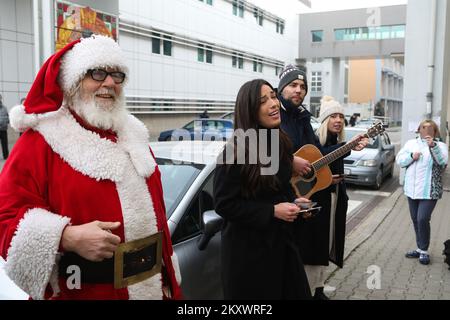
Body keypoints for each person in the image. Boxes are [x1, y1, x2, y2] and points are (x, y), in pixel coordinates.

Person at [0, 35, 181, 300]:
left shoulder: (135, 135)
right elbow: (5, 218)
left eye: (117, 75)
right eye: (97, 74)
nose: (109, 82)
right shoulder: (42, 141)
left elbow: (159, 219)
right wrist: (66, 236)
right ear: (73, 83)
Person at [213, 79, 312, 299]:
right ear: (249, 109)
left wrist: (295, 203)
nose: (273, 104)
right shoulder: (234, 150)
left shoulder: (279, 142)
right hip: (249, 259)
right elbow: (224, 204)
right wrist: (272, 211)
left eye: (274, 96)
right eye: (263, 101)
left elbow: (279, 188)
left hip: (282, 249)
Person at [277, 65, 368, 299]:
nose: (299, 90)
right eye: (293, 85)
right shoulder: (276, 118)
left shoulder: (302, 118)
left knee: (306, 253)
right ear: (281, 88)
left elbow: (317, 156)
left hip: (299, 199)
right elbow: (265, 157)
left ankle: (313, 290)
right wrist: (290, 161)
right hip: (280, 200)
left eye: (303, 87)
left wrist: (347, 147)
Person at [303, 96, 361, 299]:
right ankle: (310, 291)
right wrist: (348, 147)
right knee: (315, 248)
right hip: (318, 202)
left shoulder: (336, 141)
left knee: (326, 246)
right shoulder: (315, 140)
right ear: (324, 119)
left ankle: (319, 288)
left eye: (341, 117)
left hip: (334, 200)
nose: (338, 120)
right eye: (333, 116)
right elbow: (320, 159)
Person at [396, 119, 448, 265]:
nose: (425, 130)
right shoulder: (411, 144)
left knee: (422, 219)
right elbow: (400, 160)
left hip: (430, 190)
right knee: (415, 219)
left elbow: (442, 162)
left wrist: (433, 146)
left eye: (430, 128)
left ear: (435, 131)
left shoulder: (440, 145)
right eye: (423, 128)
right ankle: (419, 248)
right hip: (411, 190)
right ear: (418, 129)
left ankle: (424, 251)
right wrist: (411, 156)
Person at [0, 94, 9, 159]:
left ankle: (6, 156)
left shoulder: (4, 108)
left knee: (4, 144)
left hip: (3, 129)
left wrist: (5, 122)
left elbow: (8, 117)